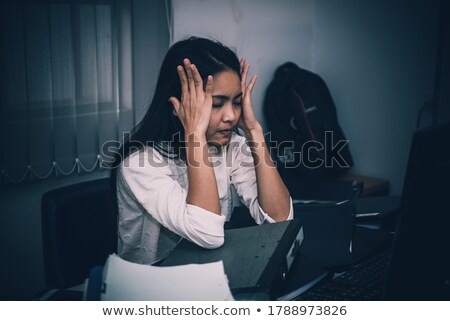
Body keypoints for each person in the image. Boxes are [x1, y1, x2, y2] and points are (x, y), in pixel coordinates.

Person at [111, 36, 293, 265]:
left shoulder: (231, 146)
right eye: (216, 104)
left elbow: (280, 220)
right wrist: (195, 135)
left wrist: (254, 131)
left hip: (209, 271)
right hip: (153, 285)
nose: (231, 116)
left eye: (237, 102)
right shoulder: (139, 164)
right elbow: (208, 234)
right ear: (179, 105)